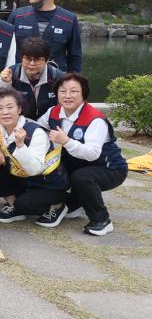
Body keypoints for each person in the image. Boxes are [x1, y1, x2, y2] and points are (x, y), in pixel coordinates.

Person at [39, 73, 128, 236]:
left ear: (83, 94)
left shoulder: (95, 119)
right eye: (63, 91)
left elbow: (92, 154)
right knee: (53, 166)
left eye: (74, 91)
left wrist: (66, 141)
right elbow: (38, 128)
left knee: (82, 177)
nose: (67, 96)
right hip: (80, 164)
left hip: (110, 168)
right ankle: (74, 204)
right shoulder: (53, 111)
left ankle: (101, 220)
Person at [0, 85, 70, 226]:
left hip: (48, 183)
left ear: (19, 109)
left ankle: (57, 206)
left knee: (25, 204)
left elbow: (35, 169)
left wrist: (20, 145)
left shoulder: (35, 131)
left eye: (10, 107)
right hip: (24, 180)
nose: (5, 112)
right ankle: (13, 205)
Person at [10, 0, 82, 73]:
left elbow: (75, 55)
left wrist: (74, 80)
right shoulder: (17, 16)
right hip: (22, 78)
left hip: (55, 79)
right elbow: (7, 49)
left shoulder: (69, 19)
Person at [0, 37, 62, 119]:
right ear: (21, 58)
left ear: (46, 60)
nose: (32, 64)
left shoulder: (58, 77)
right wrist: (5, 83)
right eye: (28, 59)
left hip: (50, 125)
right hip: (20, 125)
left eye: (37, 60)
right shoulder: (11, 74)